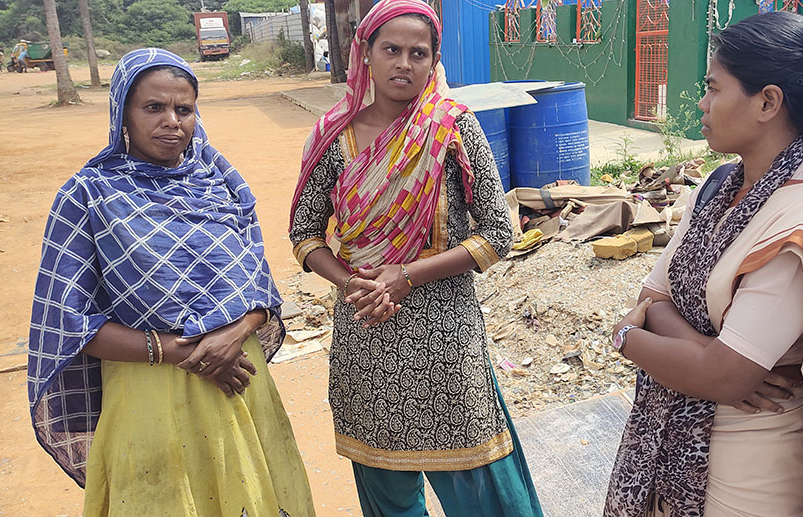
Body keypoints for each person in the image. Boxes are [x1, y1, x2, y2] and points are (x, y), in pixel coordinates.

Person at [604, 12, 803, 517]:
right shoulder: (719, 186)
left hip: (749, 472)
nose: (703, 104)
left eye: (713, 88)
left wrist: (627, 338)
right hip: (674, 446)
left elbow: (724, 378)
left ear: (767, 102)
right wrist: (705, 356)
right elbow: (654, 297)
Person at [27, 48, 314, 516]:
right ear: (123, 112)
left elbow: (261, 290)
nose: (171, 122)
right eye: (153, 107)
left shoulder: (221, 181)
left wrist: (235, 334)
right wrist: (187, 352)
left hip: (240, 380)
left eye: (183, 109)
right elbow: (68, 325)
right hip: (151, 396)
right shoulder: (88, 195)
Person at [289, 1, 542, 515]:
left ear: (433, 61)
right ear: (366, 54)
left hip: (446, 339)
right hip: (367, 335)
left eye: (418, 53)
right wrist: (350, 283)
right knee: (387, 489)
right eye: (391, 50)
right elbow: (304, 233)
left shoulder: (452, 129)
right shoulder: (333, 136)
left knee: (478, 483)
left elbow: (498, 233)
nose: (404, 63)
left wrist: (406, 275)